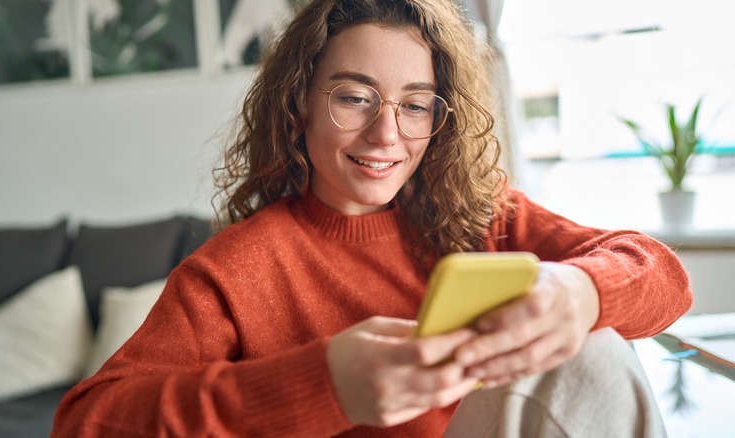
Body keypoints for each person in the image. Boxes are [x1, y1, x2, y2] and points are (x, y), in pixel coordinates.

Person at [52, 0, 692, 436]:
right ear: (299, 102)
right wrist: (322, 384)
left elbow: (662, 276)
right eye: (355, 97)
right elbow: (86, 423)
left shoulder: (482, 216)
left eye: (416, 106)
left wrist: (579, 293)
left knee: (596, 345)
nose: (387, 134)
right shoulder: (232, 272)